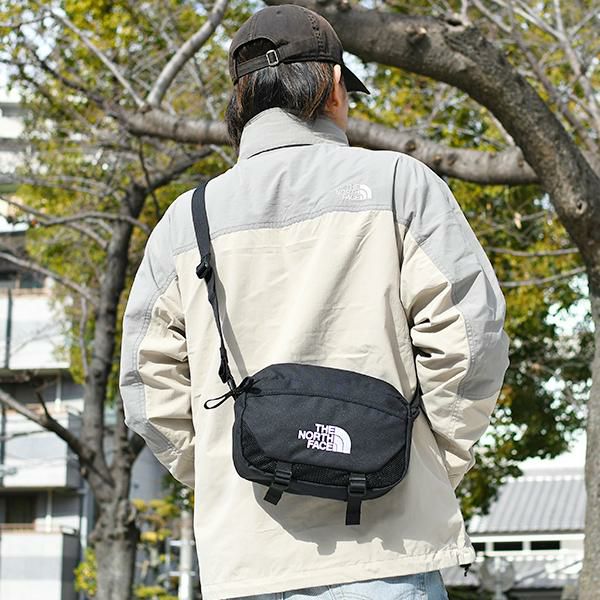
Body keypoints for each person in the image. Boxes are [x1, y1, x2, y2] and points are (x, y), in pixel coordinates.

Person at [120, 4, 510, 600]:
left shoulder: (185, 221)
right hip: (386, 549)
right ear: (332, 86)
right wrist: (426, 460)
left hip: (248, 557)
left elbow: (148, 389)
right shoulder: (401, 185)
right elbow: (472, 340)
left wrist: (229, 469)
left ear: (242, 99)